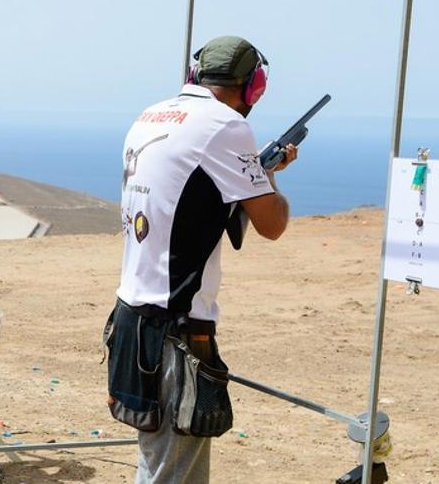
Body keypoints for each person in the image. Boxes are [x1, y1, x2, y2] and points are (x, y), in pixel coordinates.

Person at [105, 36, 297, 483]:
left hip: (132, 320)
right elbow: (272, 223)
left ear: (195, 75)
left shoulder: (149, 116)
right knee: (174, 475)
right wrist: (266, 172)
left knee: (155, 467)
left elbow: (188, 202)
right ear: (254, 87)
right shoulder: (226, 126)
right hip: (177, 329)